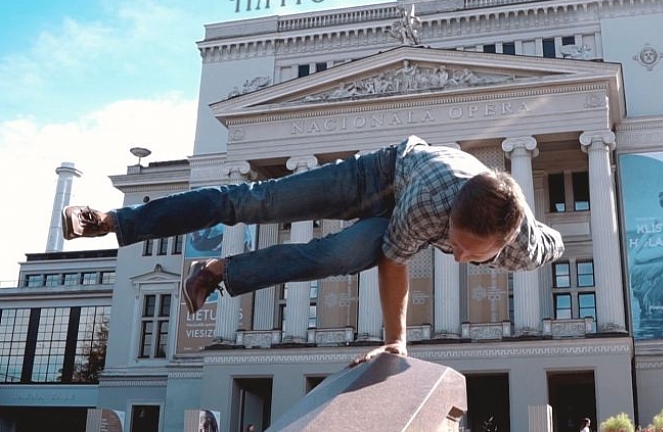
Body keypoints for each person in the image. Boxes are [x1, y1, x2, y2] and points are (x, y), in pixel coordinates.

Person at [62, 135, 563, 364]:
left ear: (504, 243)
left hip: (445, 200)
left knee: (334, 256)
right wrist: (398, 340)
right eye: (453, 244)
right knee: (248, 202)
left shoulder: (526, 246)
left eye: (470, 255)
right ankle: (112, 219)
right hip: (379, 174)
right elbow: (395, 261)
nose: (455, 257)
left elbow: (553, 242)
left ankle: (219, 271)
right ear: (448, 218)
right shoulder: (430, 208)